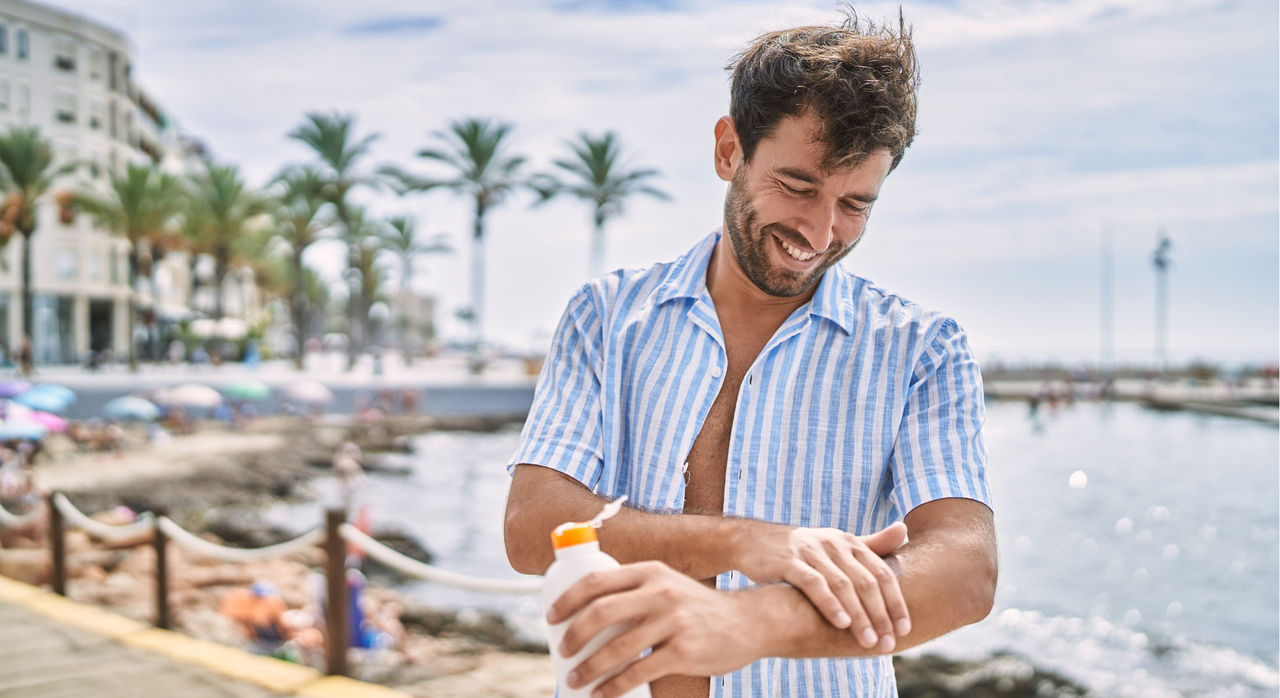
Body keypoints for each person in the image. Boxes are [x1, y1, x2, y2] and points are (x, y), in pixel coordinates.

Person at [503, 9, 996, 698]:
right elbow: (532, 527)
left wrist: (751, 621)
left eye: (855, 204)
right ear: (729, 149)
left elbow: (965, 569)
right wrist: (746, 543)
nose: (820, 232)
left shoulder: (923, 350)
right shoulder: (607, 316)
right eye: (797, 187)